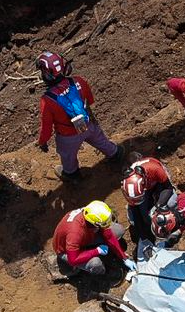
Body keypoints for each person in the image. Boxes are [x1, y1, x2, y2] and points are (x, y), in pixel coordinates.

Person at [35, 51, 123, 182]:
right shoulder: (79, 81)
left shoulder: (47, 100)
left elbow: (46, 127)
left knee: (68, 155)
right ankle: (115, 153)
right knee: (101, 141)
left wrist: (42, 142)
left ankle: (71, 174)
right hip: (88, 125)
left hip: (67, 136)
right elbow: (90, 101)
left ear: (47, 74)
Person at [53, 200, 136, 276]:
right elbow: (73, 259)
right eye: (103, 224)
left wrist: (124, 257)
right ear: (94, 224)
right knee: (95, 264)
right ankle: (103, 274)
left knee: (118, 230)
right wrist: (97, 251)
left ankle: (90, 248)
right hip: (66, 251)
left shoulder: (91, 214)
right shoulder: (75, 233)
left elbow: (109, 235)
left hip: (85, 237)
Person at [121, 154, 175, 243]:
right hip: (146, 189)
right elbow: (135, 211)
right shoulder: (129, 188)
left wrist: (159, 205)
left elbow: (168, 188)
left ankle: (169, 223)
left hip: (159, 184)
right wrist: (144, 238)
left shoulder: (155, 169)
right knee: (142, 218)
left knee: (171, 202)